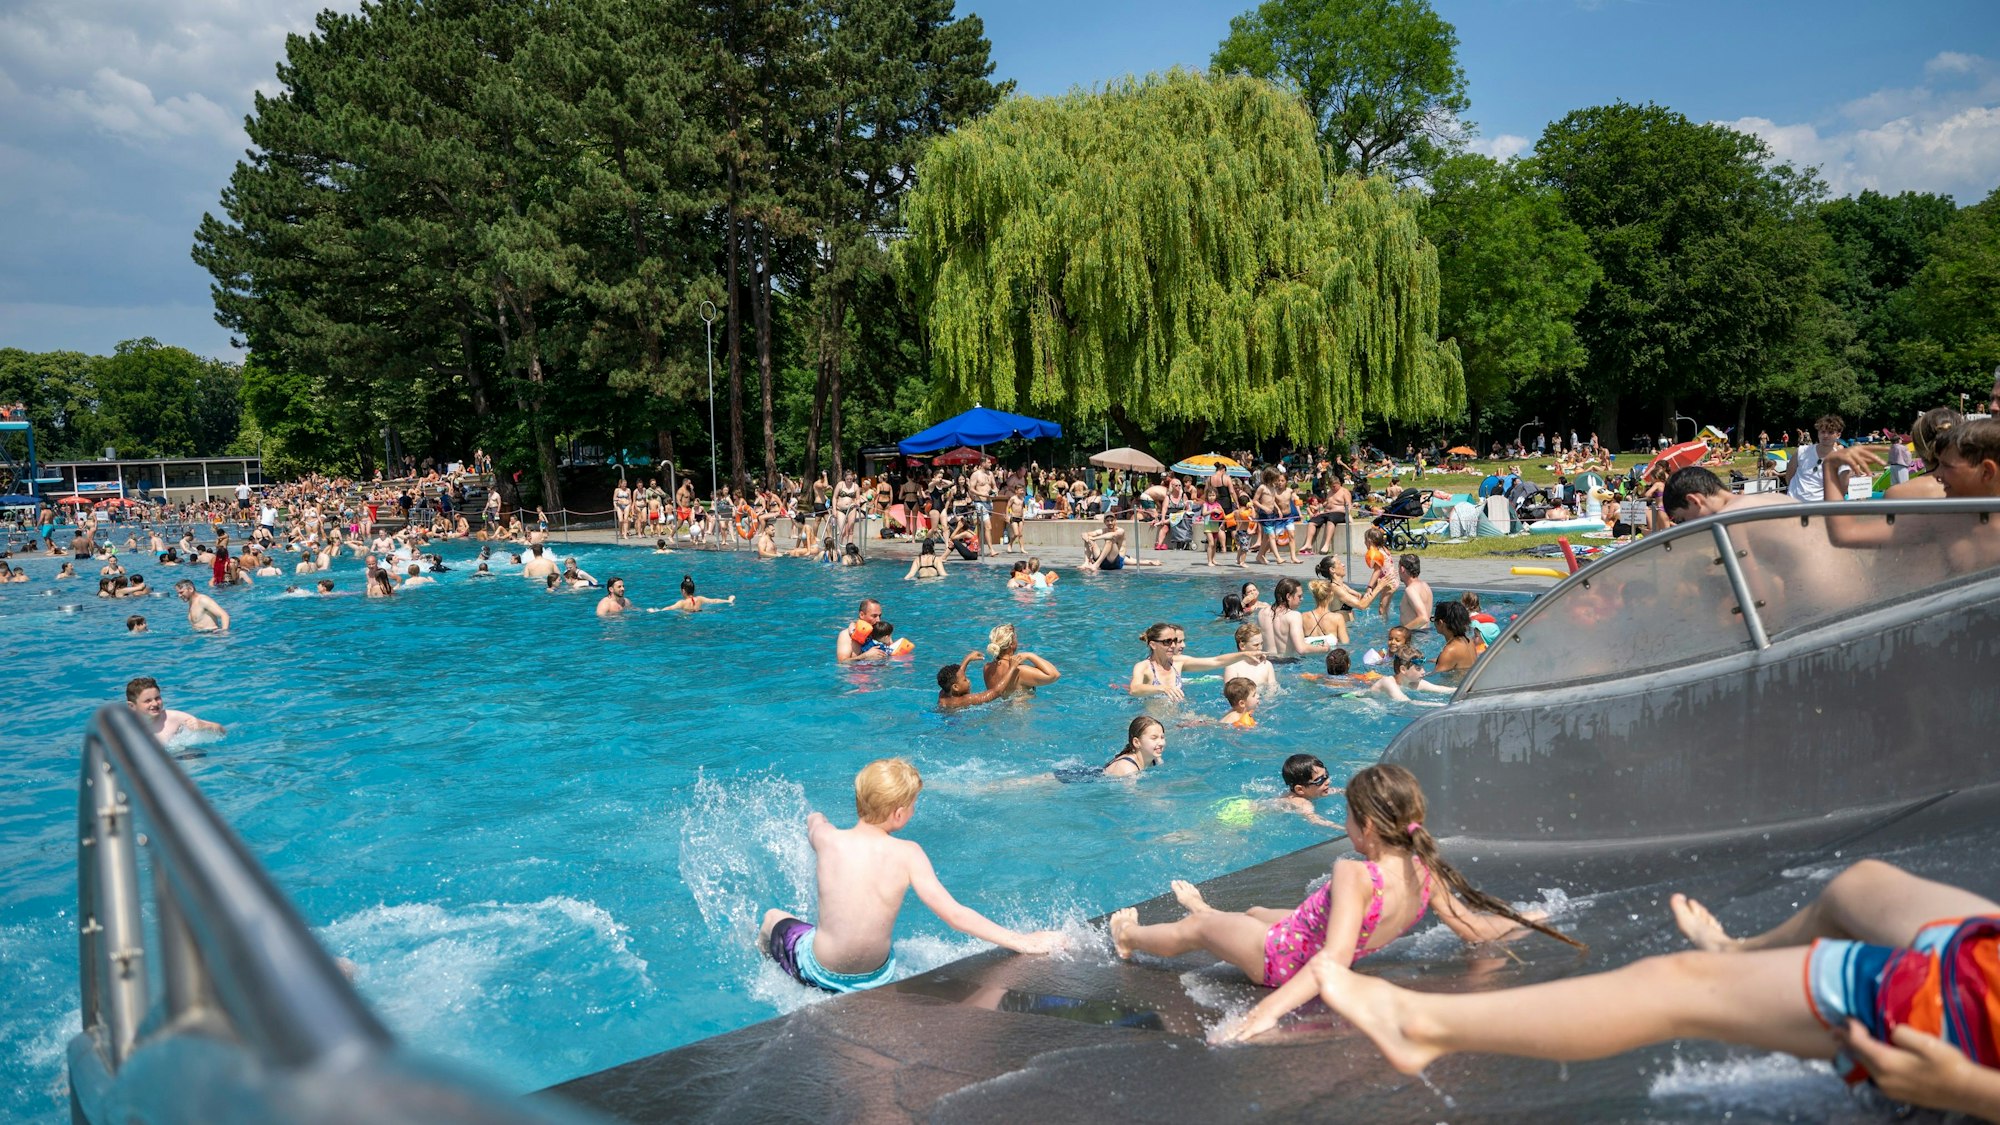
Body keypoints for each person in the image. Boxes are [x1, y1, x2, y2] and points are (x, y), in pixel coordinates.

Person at [1296, 861, 2000, 1122]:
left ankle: (1425, 1024)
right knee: (1861, 883)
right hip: (1985, 956)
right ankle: (1737, 950)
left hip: (1962, 1012)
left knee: (1676, 985)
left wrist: (1968, 1088)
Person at [1113, 763, 1577, 1008]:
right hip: (1297, 939)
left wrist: (1260, 1016)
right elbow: (1473, 929)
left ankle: (1130, 936)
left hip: (1277, 959)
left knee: (1195, 932)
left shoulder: (1352, 872)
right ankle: (1212, 914)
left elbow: (1329, 965)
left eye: (1349, 816)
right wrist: (1527, 918)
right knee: (1254, 912)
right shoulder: (1425, 870)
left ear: (1367, 827)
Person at [758, 758, 1063, 993]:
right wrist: (1020, 941)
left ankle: (764, 959)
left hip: (820, 971)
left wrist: (817, 817)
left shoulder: (828, 839)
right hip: (874, 977)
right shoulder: (909, 853)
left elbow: (814, 823)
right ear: (899, 814)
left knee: (773, 917)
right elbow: (955, 915)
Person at [1128, 622, 1262, 701]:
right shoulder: (1143, 667)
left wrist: (1244, 654)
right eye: (1167, 642)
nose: (1173, 646)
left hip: (1178, 718)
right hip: (1154, 723)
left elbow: (1216, 661)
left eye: (1174, 641)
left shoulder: (1178, 663)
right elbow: (1134, 689)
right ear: (1153, 644)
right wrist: (1162, 688)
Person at [125, 676, 225, 741]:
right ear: (132, 706)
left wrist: (203, 725)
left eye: (157, 698)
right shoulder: (124, 728)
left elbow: (222, 730)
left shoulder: (174, 718)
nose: (155, 703)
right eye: (148, 701)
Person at [982, 624, 1061, 694]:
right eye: (1016, 638)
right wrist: (1030, 655)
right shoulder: (1019, 671)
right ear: (1011, 644)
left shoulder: (987, 668)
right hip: (1021, 710)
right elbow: (1055, 675)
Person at [1357, 649, 1453, 705]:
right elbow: (1407, 702)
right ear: (1403, 669)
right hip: (1357, 700)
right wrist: (1444, 705)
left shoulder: (1415, 683)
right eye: (1418, 668)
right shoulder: (1388, 682)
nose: (1424, 671)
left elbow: (1443, 689)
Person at [1786, 414, 1846, 502]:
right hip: (1793, 505)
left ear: (1838, 435)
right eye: (1822, 432)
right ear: (1818, 433)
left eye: (1830, 432)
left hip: (1819, 509)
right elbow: (1789, 477)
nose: (1825, 435)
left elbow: (1842, 489)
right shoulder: (1801, 451)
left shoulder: (1841, 459)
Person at [1273, 754, 1342, 828]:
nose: (1328, 781)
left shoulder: (1315, 790)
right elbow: (1315, 820)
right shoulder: (1303, 803)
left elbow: (1338, 790)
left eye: (1326, 775)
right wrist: (1343, 828)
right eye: (1319, 780)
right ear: (1300, 789)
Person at [937, 652, 1019, 711]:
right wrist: (1012, 668)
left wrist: (968, 659)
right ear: (955, 687)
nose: (968, 681)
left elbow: (957, 676)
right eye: (965, 679)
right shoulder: (965, 700)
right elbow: (996, 692)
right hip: (956, 724)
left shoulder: (943, 693)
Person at [1222, 622, 1280, 694]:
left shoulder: (1266, 665)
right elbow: (1231, 696)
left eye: (1261, 643)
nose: (1261, 648)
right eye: (1256, 645)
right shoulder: (1232, 667)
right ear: (1242, 646)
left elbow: (1273, 690)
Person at [1101, 716, 1166, 778]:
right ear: (1137, 742)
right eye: (1154, 738)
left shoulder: (1156, 758)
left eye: (1162, 737)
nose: (1161, 743)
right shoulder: (1128, 769)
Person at [1396, 554, 1432, 634]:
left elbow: (1423, 618)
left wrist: (1400, 632)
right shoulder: (1425, 586)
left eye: (1398, 568)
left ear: (1402, 569)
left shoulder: (1410, 590)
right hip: (1425, 634)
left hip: (1415, 636)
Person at [665, 574, 733, 612]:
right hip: (700, 612)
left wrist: (656, 611)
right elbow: (714, 601)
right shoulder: (700, 599)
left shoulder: (682, 603)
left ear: (683, 591)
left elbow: (670, 608)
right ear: (694, 589)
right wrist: (728, 600)